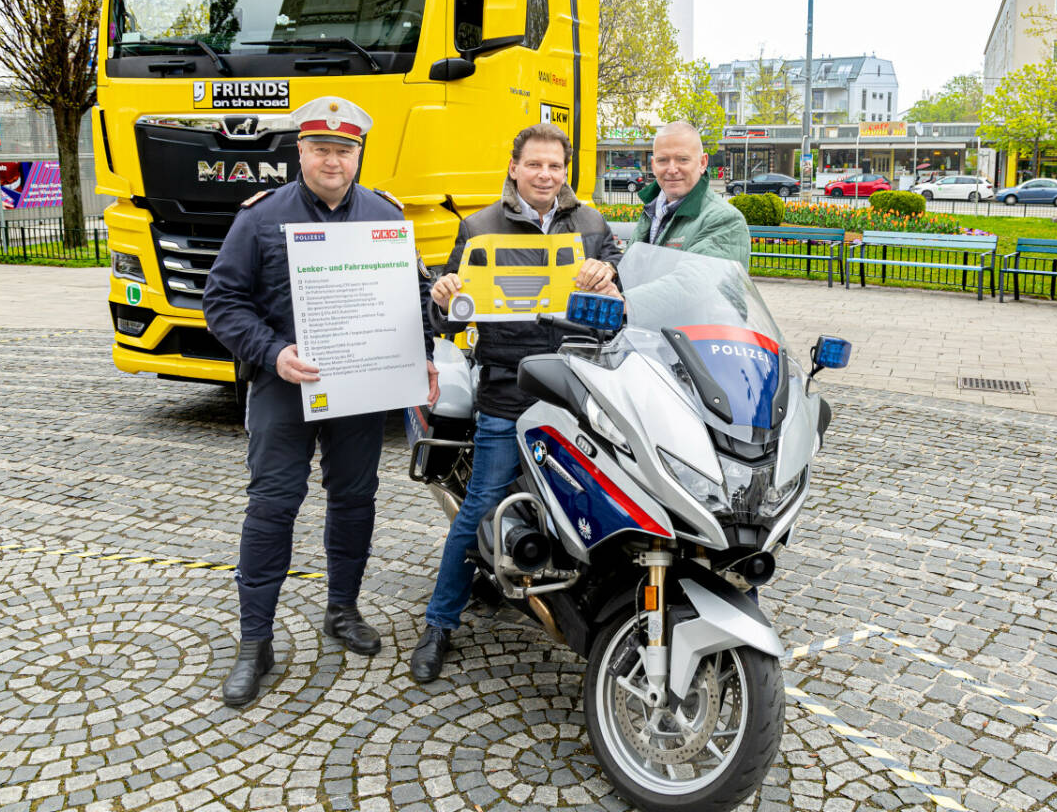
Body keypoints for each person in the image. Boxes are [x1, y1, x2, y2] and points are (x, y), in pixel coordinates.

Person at [204, 96, 439, 707]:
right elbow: (222, 302)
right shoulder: (259, 219)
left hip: (359, 389)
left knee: (355, 499)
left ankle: (342, 609)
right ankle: (254, 642)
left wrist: (425, 359)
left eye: (345, 149)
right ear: (300, 151)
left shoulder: (385, 214)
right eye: (321, 149)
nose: (333, 160)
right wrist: (273, 352)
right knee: (272, 506)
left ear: (359, 153)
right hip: (284, 386)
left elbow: (412, 299)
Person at [410, 122, 622, 683]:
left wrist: (610, 275)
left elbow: (624, 304)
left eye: (555, 166)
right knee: (481, 503)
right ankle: (439, 623)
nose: (545, 175)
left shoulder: (593, 225)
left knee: (593, 504)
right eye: (535, 165)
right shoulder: (478, 226)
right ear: (514, 167)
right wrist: (442, 295)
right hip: (508, 388)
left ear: (565, 170)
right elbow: (448, 316)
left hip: (578, 389)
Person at [633, 121, 750, 266]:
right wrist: (610, 271)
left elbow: (690, 283)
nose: (672, 169)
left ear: (702, 163)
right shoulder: (652, 211)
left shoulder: (727, 221)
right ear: (653, 165)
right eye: (662, 160)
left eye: (683, 159)